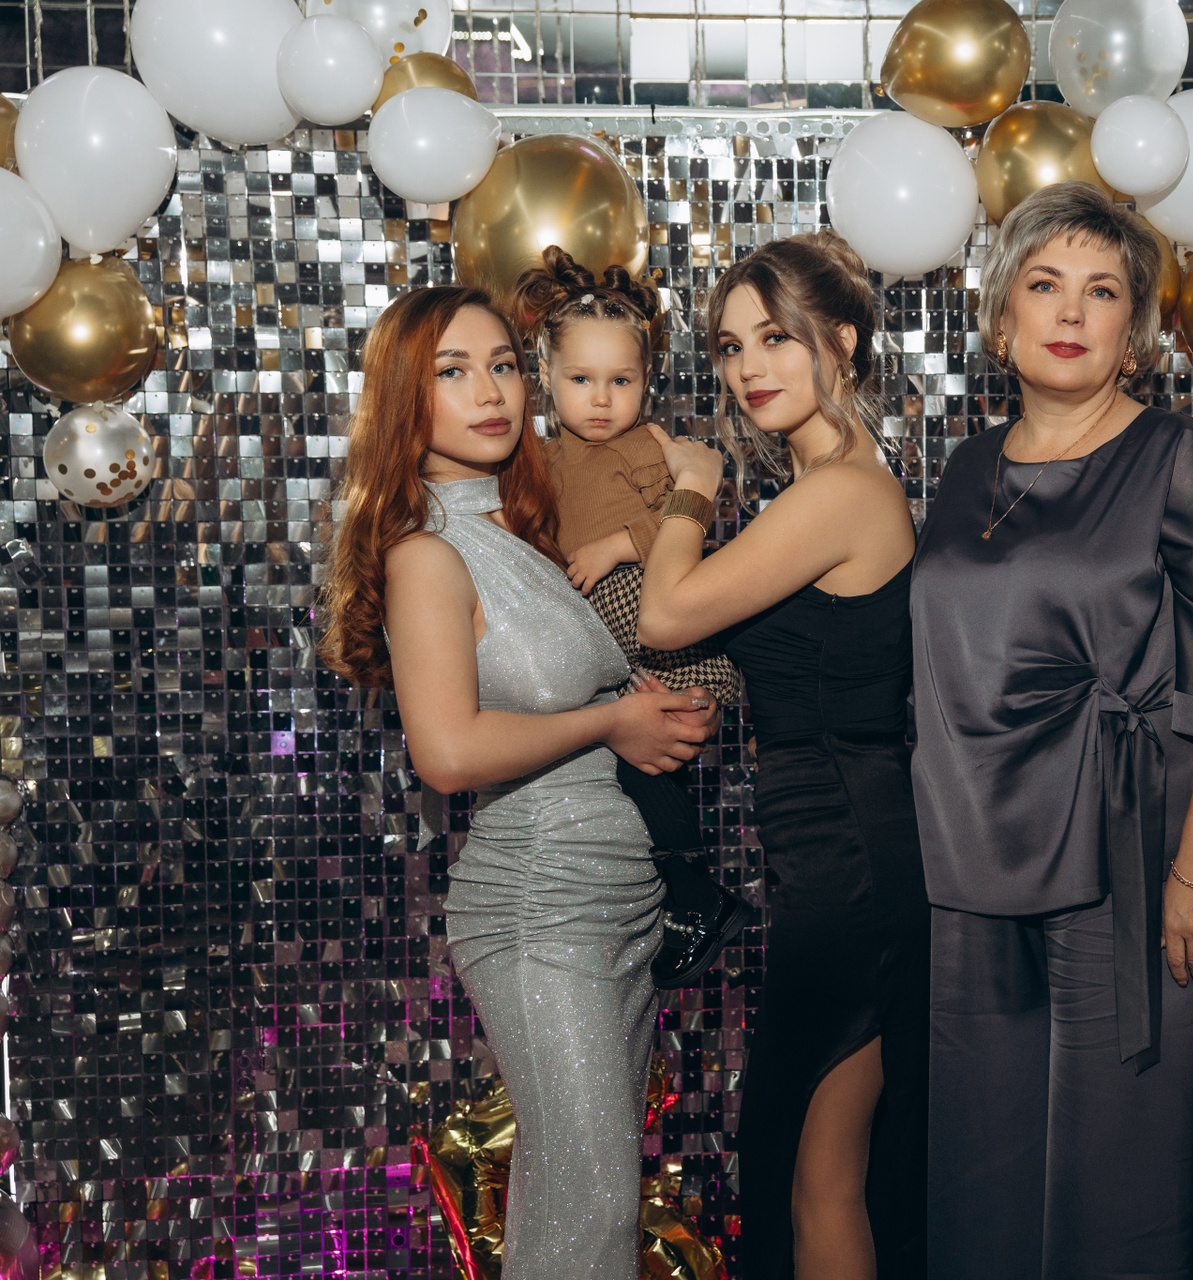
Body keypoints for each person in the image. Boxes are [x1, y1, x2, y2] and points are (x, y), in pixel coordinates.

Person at [911, 181, 1193, 1280]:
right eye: (1045, 285)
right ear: (1003, 318)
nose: (1071, 311)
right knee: (982, 1165)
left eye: (1102, 291)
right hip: (972, 856)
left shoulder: (1175, 455)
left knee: (1122, 1167)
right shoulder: (967, 467)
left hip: (1126, 857)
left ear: (1135, 331)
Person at [318, 285, 716, 1280]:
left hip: (621, 896)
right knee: (590, 1211)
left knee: (584, 1208)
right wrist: (614, 720)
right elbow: (447, 753)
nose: (490, 391)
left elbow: (589, 681)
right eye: (452, 372)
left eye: (502, 365)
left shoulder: (526, 531)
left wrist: (655, 707)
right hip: (540, 905)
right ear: (403, 399)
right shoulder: (427, 554)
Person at [632, 232, 927, 1280]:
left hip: (850, 861)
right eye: (729, 346)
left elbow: (667, 613)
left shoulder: (841, 491)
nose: (748, 367)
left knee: (817, 1169)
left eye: (775, 337)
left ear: (839, 341)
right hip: (834, 856)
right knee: (818, 1163)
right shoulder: (814, 495)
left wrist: (692, 485)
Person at [511, 247, 746, 980]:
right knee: (623, 769)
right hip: (598, 637)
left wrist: (614, 545)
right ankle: (676, 893)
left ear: (648, 380)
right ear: (545, 374)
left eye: (622, 380)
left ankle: (693, 889)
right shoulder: (538, 461)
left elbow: (692, 516)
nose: (601, 399)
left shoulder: (649, 445)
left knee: (652, 764)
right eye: (581, 380)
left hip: (651, 617)